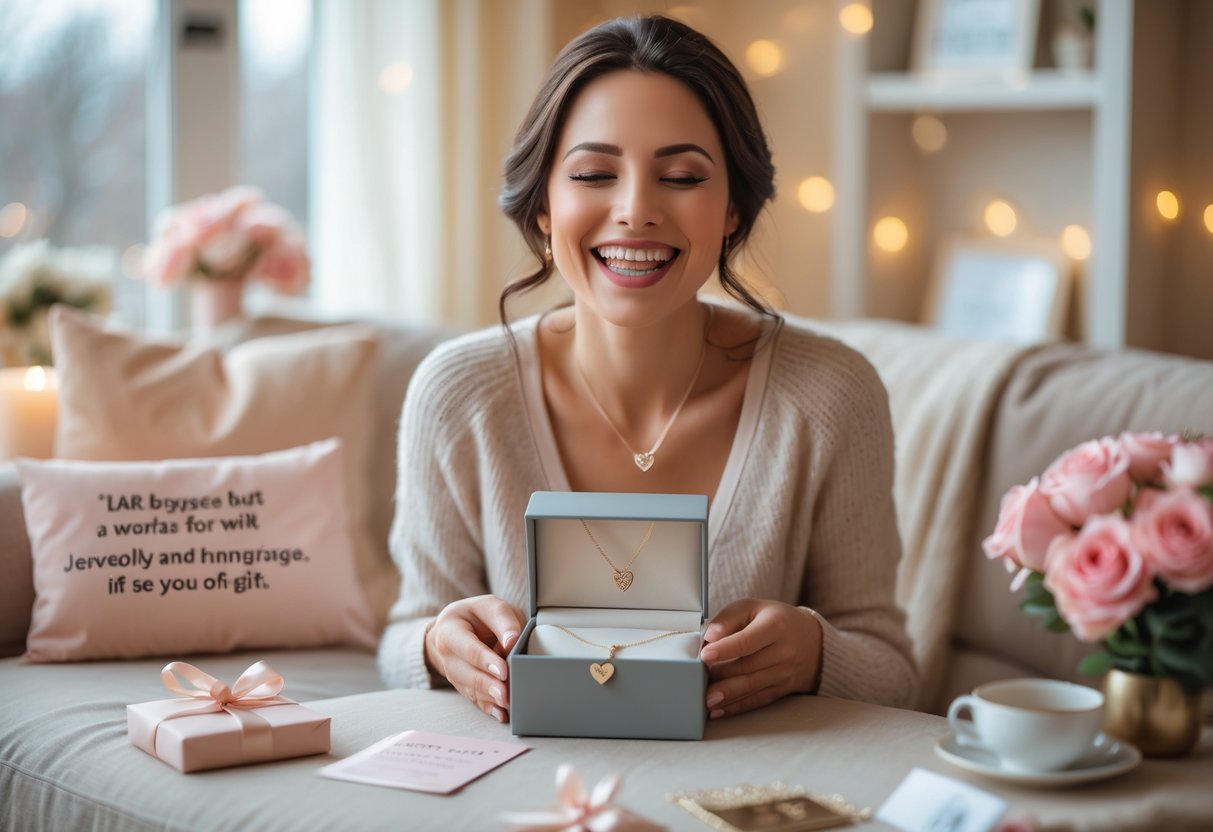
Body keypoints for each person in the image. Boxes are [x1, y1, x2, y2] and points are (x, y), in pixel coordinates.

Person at [378, 14, 915, 723]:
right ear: (543, 204)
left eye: (682, 176)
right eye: (594, 174)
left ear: (731, 209)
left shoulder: (829, 393)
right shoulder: (456, 394)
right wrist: (436, 646)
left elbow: (891, 669)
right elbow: (402, 636)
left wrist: (815, 652)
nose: (634, 211)